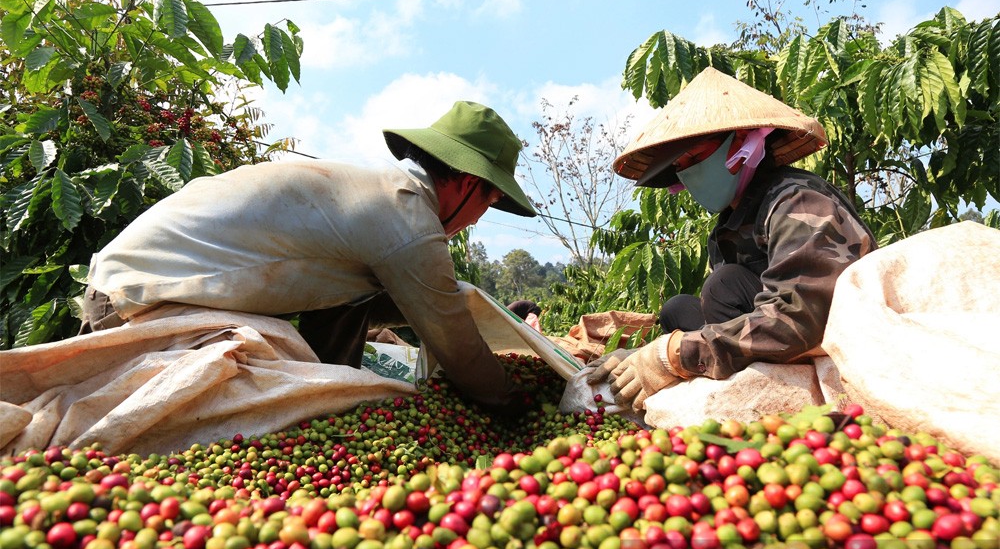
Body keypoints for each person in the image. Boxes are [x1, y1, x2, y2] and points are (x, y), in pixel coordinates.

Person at [81, 100, 538, 409]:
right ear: (469, 183)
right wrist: (518, 400)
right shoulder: (406, 217)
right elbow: (455, 346)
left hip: (127, 284)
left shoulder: (375, 197)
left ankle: (332, 403)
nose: (476, 219)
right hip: (138, 303)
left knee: (351, 300)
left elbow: (390, 301)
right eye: (489, 202)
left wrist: (475, 311)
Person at [590, 67, 877, 411]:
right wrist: (643, 354)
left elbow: (799, 316)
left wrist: (678, 354)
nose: (689, 173)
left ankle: (769, 399)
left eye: (696, 157)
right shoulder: (727, 227)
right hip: (769, 337)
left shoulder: (798, 201)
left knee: (722, 285)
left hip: (823, 337)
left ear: (741, 141)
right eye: (681, 166)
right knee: (678, 309)